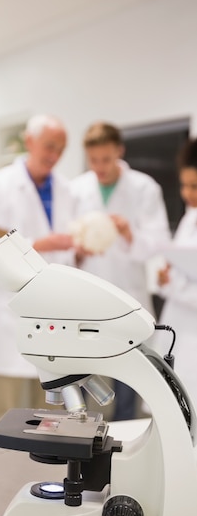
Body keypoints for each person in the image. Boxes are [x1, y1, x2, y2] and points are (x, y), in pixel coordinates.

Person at [0, 114, 77, 432]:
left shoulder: (67, 191)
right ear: (29, 142)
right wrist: (40, 243)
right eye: (48, 146)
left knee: (49, 416)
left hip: (52, 313)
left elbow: (67, 248)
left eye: (60, 149)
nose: (53, 155)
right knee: (3, 415)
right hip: (9, 312)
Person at [70, 121, 171, 420]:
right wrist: (77, 251)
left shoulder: (144, 187)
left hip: (129, 299)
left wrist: (129, 234)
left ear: (119, 151)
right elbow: (67, 243)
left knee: (127, 386)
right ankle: (84, 452)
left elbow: (158, 243)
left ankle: (123, 454)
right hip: (86, 303)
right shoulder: (76, 189)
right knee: (84, 384)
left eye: (106, 159)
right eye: (94, 160)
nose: (100, 167)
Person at [154, 137, 197, 405]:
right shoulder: (189, 216)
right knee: (173, 403)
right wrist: (165, 279)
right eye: (184, 185)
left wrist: (174, 285)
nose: (186, 193)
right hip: (179, 322)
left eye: (194, 186)